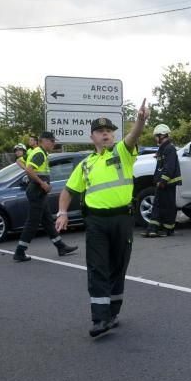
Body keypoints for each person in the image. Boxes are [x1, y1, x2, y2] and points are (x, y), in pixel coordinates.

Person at [56, 101, 149, 338]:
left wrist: (140, 121)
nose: (105, 134)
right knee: (98, 268)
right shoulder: (86, 164)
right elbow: (68, 191)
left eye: (109, 131)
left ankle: (113, 313)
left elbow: (133, 135)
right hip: (96, 222)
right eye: (100, 131)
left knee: (118, 266)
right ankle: (100, 318)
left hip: (121, 219)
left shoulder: (122, 152)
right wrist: (62, 212)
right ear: (92, 136)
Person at [12, 132, 78, 262]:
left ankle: (61, 246)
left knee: (47, 220)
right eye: (52, 141)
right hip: (37, 190)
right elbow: (29, 170)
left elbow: (22, 163)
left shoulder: (36, 151)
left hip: (37, 190)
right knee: (33, 222)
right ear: (44, 141)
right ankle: (20, 251)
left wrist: (41, 183)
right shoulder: (40, 153)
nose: (54, 144)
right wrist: (42, 184)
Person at [143, 123, 181, 238]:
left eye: (156, 136)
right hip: (162, 183)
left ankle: (168, 229)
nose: (155, 138)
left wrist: (163, 181)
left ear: (162, 135)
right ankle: (153, 229)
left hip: (168, 183)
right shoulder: (163, 149)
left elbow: (169, 168)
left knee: (167, 207)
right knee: (158, 206)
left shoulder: (170, 149)